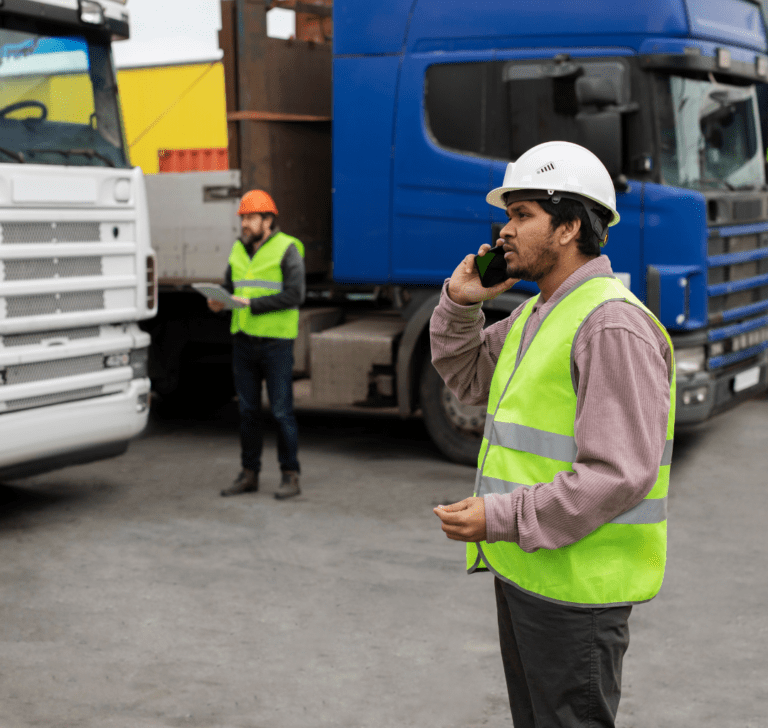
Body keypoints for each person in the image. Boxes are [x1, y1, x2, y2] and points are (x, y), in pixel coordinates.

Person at [431, 141, 675, 728]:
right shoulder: (538, 312)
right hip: (532, 571)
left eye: (522, 215)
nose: (504, 231)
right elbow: (467, 378)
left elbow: (618, 474)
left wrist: (500, 517)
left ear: (568, 227)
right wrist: (462, 304)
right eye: (507, 215)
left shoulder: (610, 324)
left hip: (578, 592)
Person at [208, 189, 306, 499]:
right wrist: (218, 301)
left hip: (276, 343)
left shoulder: (288, 248)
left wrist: (248, 302)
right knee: (248, 411)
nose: (245, 224)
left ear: (268, 220)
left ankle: (290, 475)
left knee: (281, 411)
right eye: (243, 219)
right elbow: (229, 287)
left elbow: (295, 295)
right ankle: (249, 474)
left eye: (251, 218)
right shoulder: (238, 249)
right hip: (244, 341)